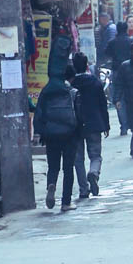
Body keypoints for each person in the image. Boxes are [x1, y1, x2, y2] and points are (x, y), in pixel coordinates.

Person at [33, 67, 83, 212]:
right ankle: (66, 202)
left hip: (51, 135)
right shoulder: (72, 92)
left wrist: (40, 134)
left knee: (53, 167)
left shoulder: (46, 92)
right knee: (68, 168)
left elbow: (39, 114)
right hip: (70, 135)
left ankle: (51, 184)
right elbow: (79, 115)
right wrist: (79, 133)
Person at [71, 53, 109, 197]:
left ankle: (83, 189)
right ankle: (93, 172)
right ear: (87, 64)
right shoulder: (95, 82)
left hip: (75, 126)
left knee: (78, 159)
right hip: (94, 123)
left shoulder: (71, 83)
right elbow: (102, 105)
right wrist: (106, 125)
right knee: (95, 156)